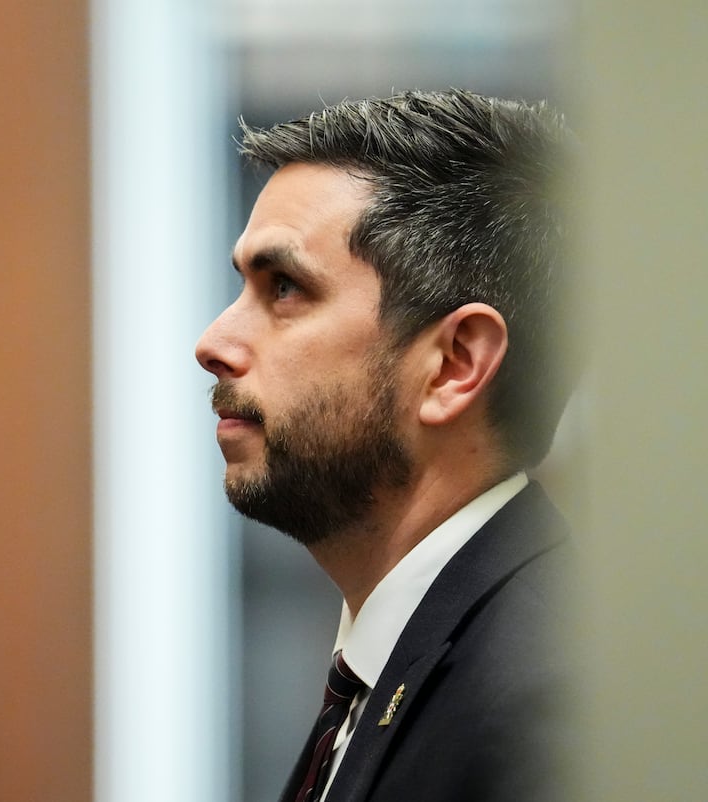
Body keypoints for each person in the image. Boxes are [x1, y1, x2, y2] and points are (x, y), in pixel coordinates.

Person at [194, 90, 580, 802]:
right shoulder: (404, 664)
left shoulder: (548, 704)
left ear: (455, 363)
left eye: (284, 287)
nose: (213, 343)